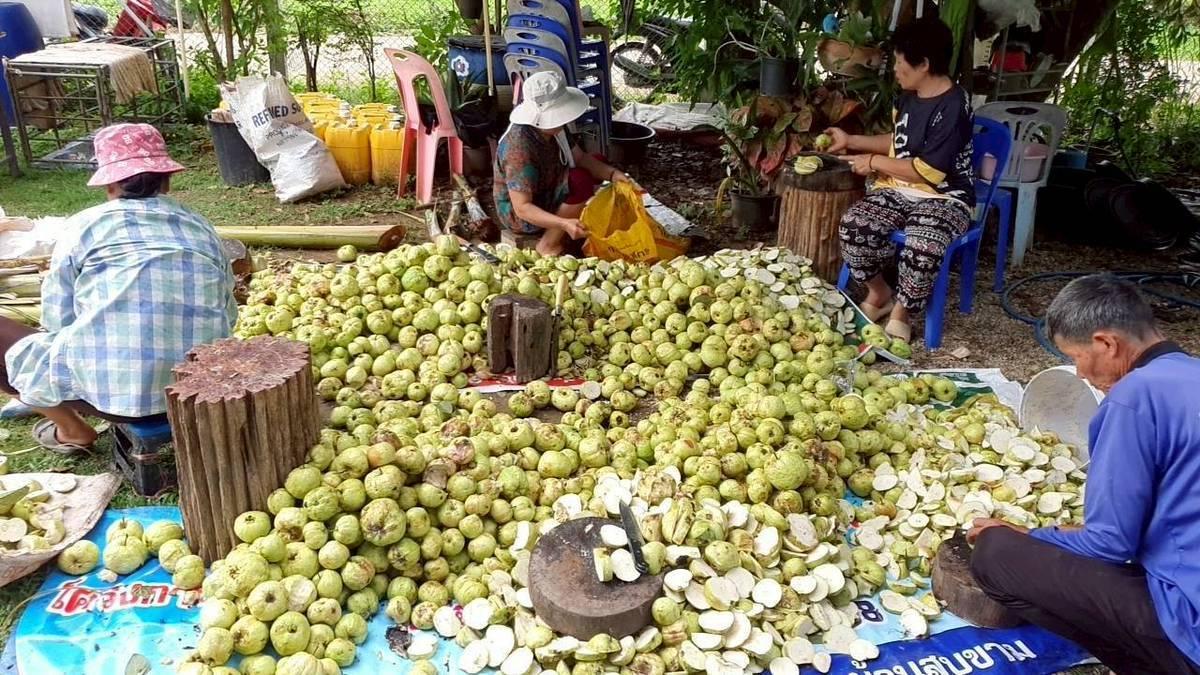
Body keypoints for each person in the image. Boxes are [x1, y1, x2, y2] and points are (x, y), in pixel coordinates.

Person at [968, 275, 1200, 674]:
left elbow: (1111, 543)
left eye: (1075, 357)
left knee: (995, 553)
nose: (1078, 375)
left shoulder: (1133, 398)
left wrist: (1026, 535)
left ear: (1106, 343)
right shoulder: (1190, 372)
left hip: (1189, 625)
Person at [0, 123, 237, 454]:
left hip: (111, 397)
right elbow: (227, 313)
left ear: (110, 182)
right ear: (166, 178)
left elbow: (57, 321)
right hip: (197, 389)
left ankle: (71, 429)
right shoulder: (200, 225)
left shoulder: (84, 225)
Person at [826, 16, 975, 342]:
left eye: (899, 61)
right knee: (855, 226)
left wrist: (873, 162)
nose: (894, 68)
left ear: (923, 64)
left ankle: (901, 312)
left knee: (924, 245)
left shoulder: (955, 105)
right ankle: (879, 294)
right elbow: (899, 144)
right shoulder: (908, 97)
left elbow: (928, 171)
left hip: (944, 195)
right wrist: (851, 141)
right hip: (898, 188)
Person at [493, 71, 630, 256]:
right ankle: (548, 244)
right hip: (520, 214)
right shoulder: (518, 148)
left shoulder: (554, 128)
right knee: (580, 180)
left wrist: (614, 175)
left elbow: (580, 158)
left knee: (599, 162)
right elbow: (522, 208)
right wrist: (563, 224)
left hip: (546, 186)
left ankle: (573, 219)